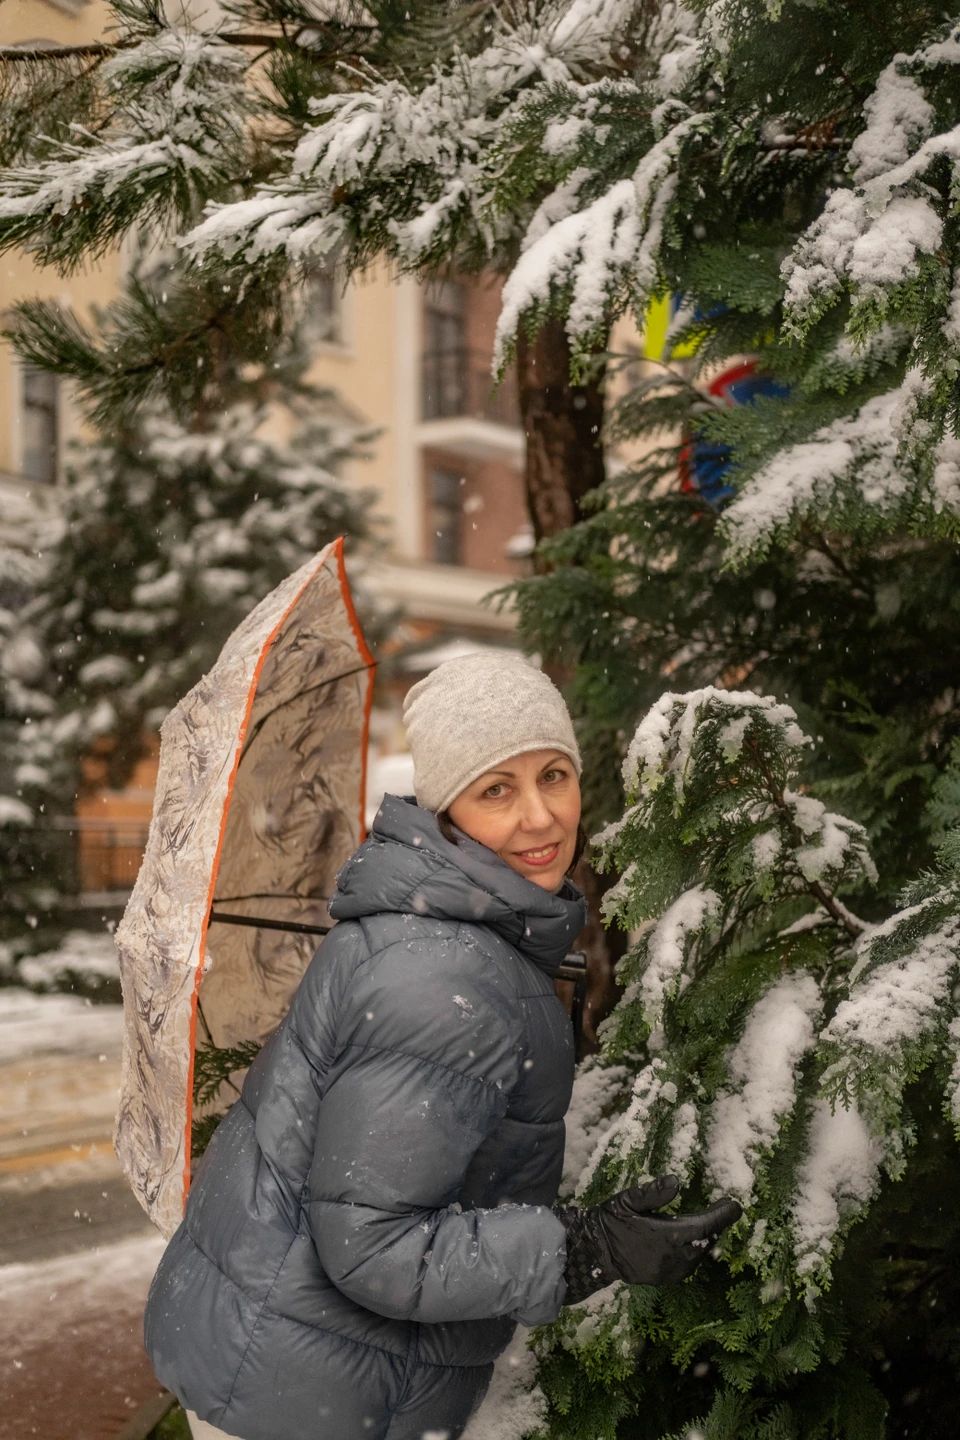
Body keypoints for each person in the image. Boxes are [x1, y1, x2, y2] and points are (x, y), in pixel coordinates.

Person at [144, 653, 740, 1440]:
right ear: (445, 809)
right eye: (497, 788)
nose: (540, 816)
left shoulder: (448, 938)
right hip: (305, 1400)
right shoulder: (444, 977)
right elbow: (371, 1246)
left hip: (272, 1355)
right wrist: (584, 1248)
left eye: (554, 775)